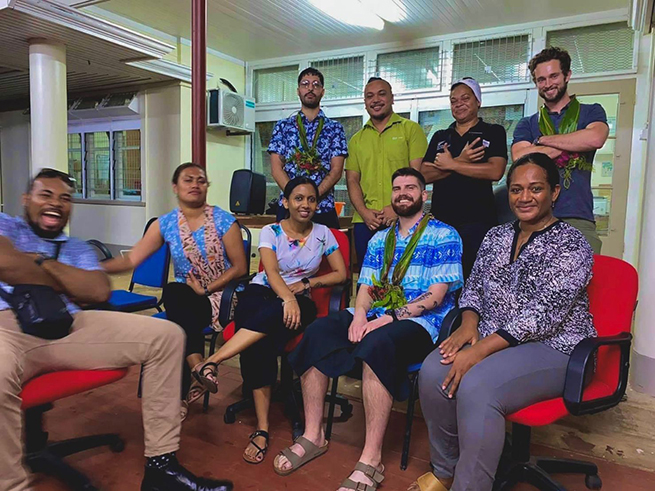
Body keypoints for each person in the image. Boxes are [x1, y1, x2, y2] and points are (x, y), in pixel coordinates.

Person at [0, 168, 232, 491]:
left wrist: (39, 262)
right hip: (6, 327)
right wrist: (65, 279)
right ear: (26, 200)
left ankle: (161, 471)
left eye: (65, 198)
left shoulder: (77, 248)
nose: (56, 203)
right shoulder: (6, 226)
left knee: (166, 336)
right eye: (45, 195)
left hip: (69, 325)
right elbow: (4, 262)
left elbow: (96, 291)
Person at [409, 153, 597, 491]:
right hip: (492, 338)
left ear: (554, 192)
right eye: (516, 189)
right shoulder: (495, 236)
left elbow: (543, 314)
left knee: (479, 384)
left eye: (535, 189)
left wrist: (479, 350)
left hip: (556, 347)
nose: (524, 198)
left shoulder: (572, 244)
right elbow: (474, 287)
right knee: (433, 370)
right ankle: (445, 470)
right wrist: (469, 325)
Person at [274, 168, 463, 491]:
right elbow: (365, 287)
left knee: (378, 342)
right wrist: (360, 316)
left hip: (422, 323)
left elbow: (436, 297)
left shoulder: (443, 234)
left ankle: (371, 459)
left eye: (410, 188)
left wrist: (389, 318)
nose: (402, 193)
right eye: (397, 188)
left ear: (423, 195)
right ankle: (313, 434)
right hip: (376, 315)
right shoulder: (380, 239)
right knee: (320, 331)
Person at [193, 176, 347, 465]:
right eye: (298, 198)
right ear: (286, 202)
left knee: (260, 331)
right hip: (263, 291)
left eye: (311, 199)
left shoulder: (324, 233)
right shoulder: (270, 230)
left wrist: (306, 285)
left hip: (301, 298)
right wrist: (286, 298)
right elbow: (272, 271)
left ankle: (212, 361)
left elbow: (341, 274)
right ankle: (262, 427)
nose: (305, 204)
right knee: (259, 338)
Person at [103, 162, 248, 419]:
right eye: (188, 180)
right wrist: (91, 266)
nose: (195, 185)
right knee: (175, 293)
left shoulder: (224, 220)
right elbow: (130, 259)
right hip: (186, 297)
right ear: (175, 187)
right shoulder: (166, 224)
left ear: (207, 186)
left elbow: (240, 268)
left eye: (201, 180)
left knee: (179, 318)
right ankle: (200, 368)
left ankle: (183, 392)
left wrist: (206, 288)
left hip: (222, 296)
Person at [511, 47, 609, 253]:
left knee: (581, 283)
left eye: (553, 76)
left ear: (567, 75)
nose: (548, 84)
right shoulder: (527, 124)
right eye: (541, 79)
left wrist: (542, 142)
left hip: (578, 216)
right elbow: (520, 157)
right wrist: (574, 142)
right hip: (534, 217)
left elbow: (596, 138)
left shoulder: (591, 111)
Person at [421, 77, 507, 278]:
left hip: (478, 222)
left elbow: (495, 171)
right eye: (453, 100)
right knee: (442, 277)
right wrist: (462, 161)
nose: (458, 104)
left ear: (478, 101)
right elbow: (424, 174)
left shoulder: (493, 132)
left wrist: (452, 164)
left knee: (475, 278)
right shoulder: (441, 136)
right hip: (442, 222)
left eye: (465, 98)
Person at [346, 77, 428, 266]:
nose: (375, 100)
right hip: (366, 221)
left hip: (404, 217)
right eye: (369, 96)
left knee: (405, 278)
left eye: (381, 94)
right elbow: (352, 180)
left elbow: (417, 175)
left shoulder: (411, 130)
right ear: (365, 103)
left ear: (392, 98)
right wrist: (364, 212)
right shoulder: (356, 140)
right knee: (368, 281)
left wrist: (396, 209)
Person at [268, 67, 348, 229]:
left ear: (323, 92)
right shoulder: (283, 126)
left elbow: (336, 170)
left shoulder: (335, 128)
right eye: (305, 84)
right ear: (298, 91)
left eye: (316, 85)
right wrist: (296, 198)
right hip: (289, 209)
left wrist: (312, 198)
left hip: (323, 207)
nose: (310, 88)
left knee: (330, 253)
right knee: (285, 254)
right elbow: (276, 169)